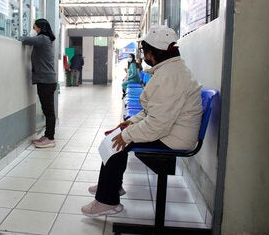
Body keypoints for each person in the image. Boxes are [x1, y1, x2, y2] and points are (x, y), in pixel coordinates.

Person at [81, 25, 202, 217]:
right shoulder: (169, 70)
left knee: (117, 142)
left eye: (144, 51)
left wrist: (126, 134)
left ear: (154, 52)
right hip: (171, 130)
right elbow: (152, 111)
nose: (143, 55)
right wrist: (131, 123)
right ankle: (111, 186)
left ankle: (107, 201)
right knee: (117, 136)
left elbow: (158, 124)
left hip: (174, 138)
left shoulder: (170, 76)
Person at [19, 19, 57, 148]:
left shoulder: (43, 39)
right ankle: (47, 135)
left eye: (34, 27)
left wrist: (23, 35)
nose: (33, 30)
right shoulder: (45, 40)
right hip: (46, 80)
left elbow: (24, 40)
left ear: (40, 28)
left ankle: (50, 138)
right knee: (47, 110)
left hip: (46, 81)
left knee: (48, 111)